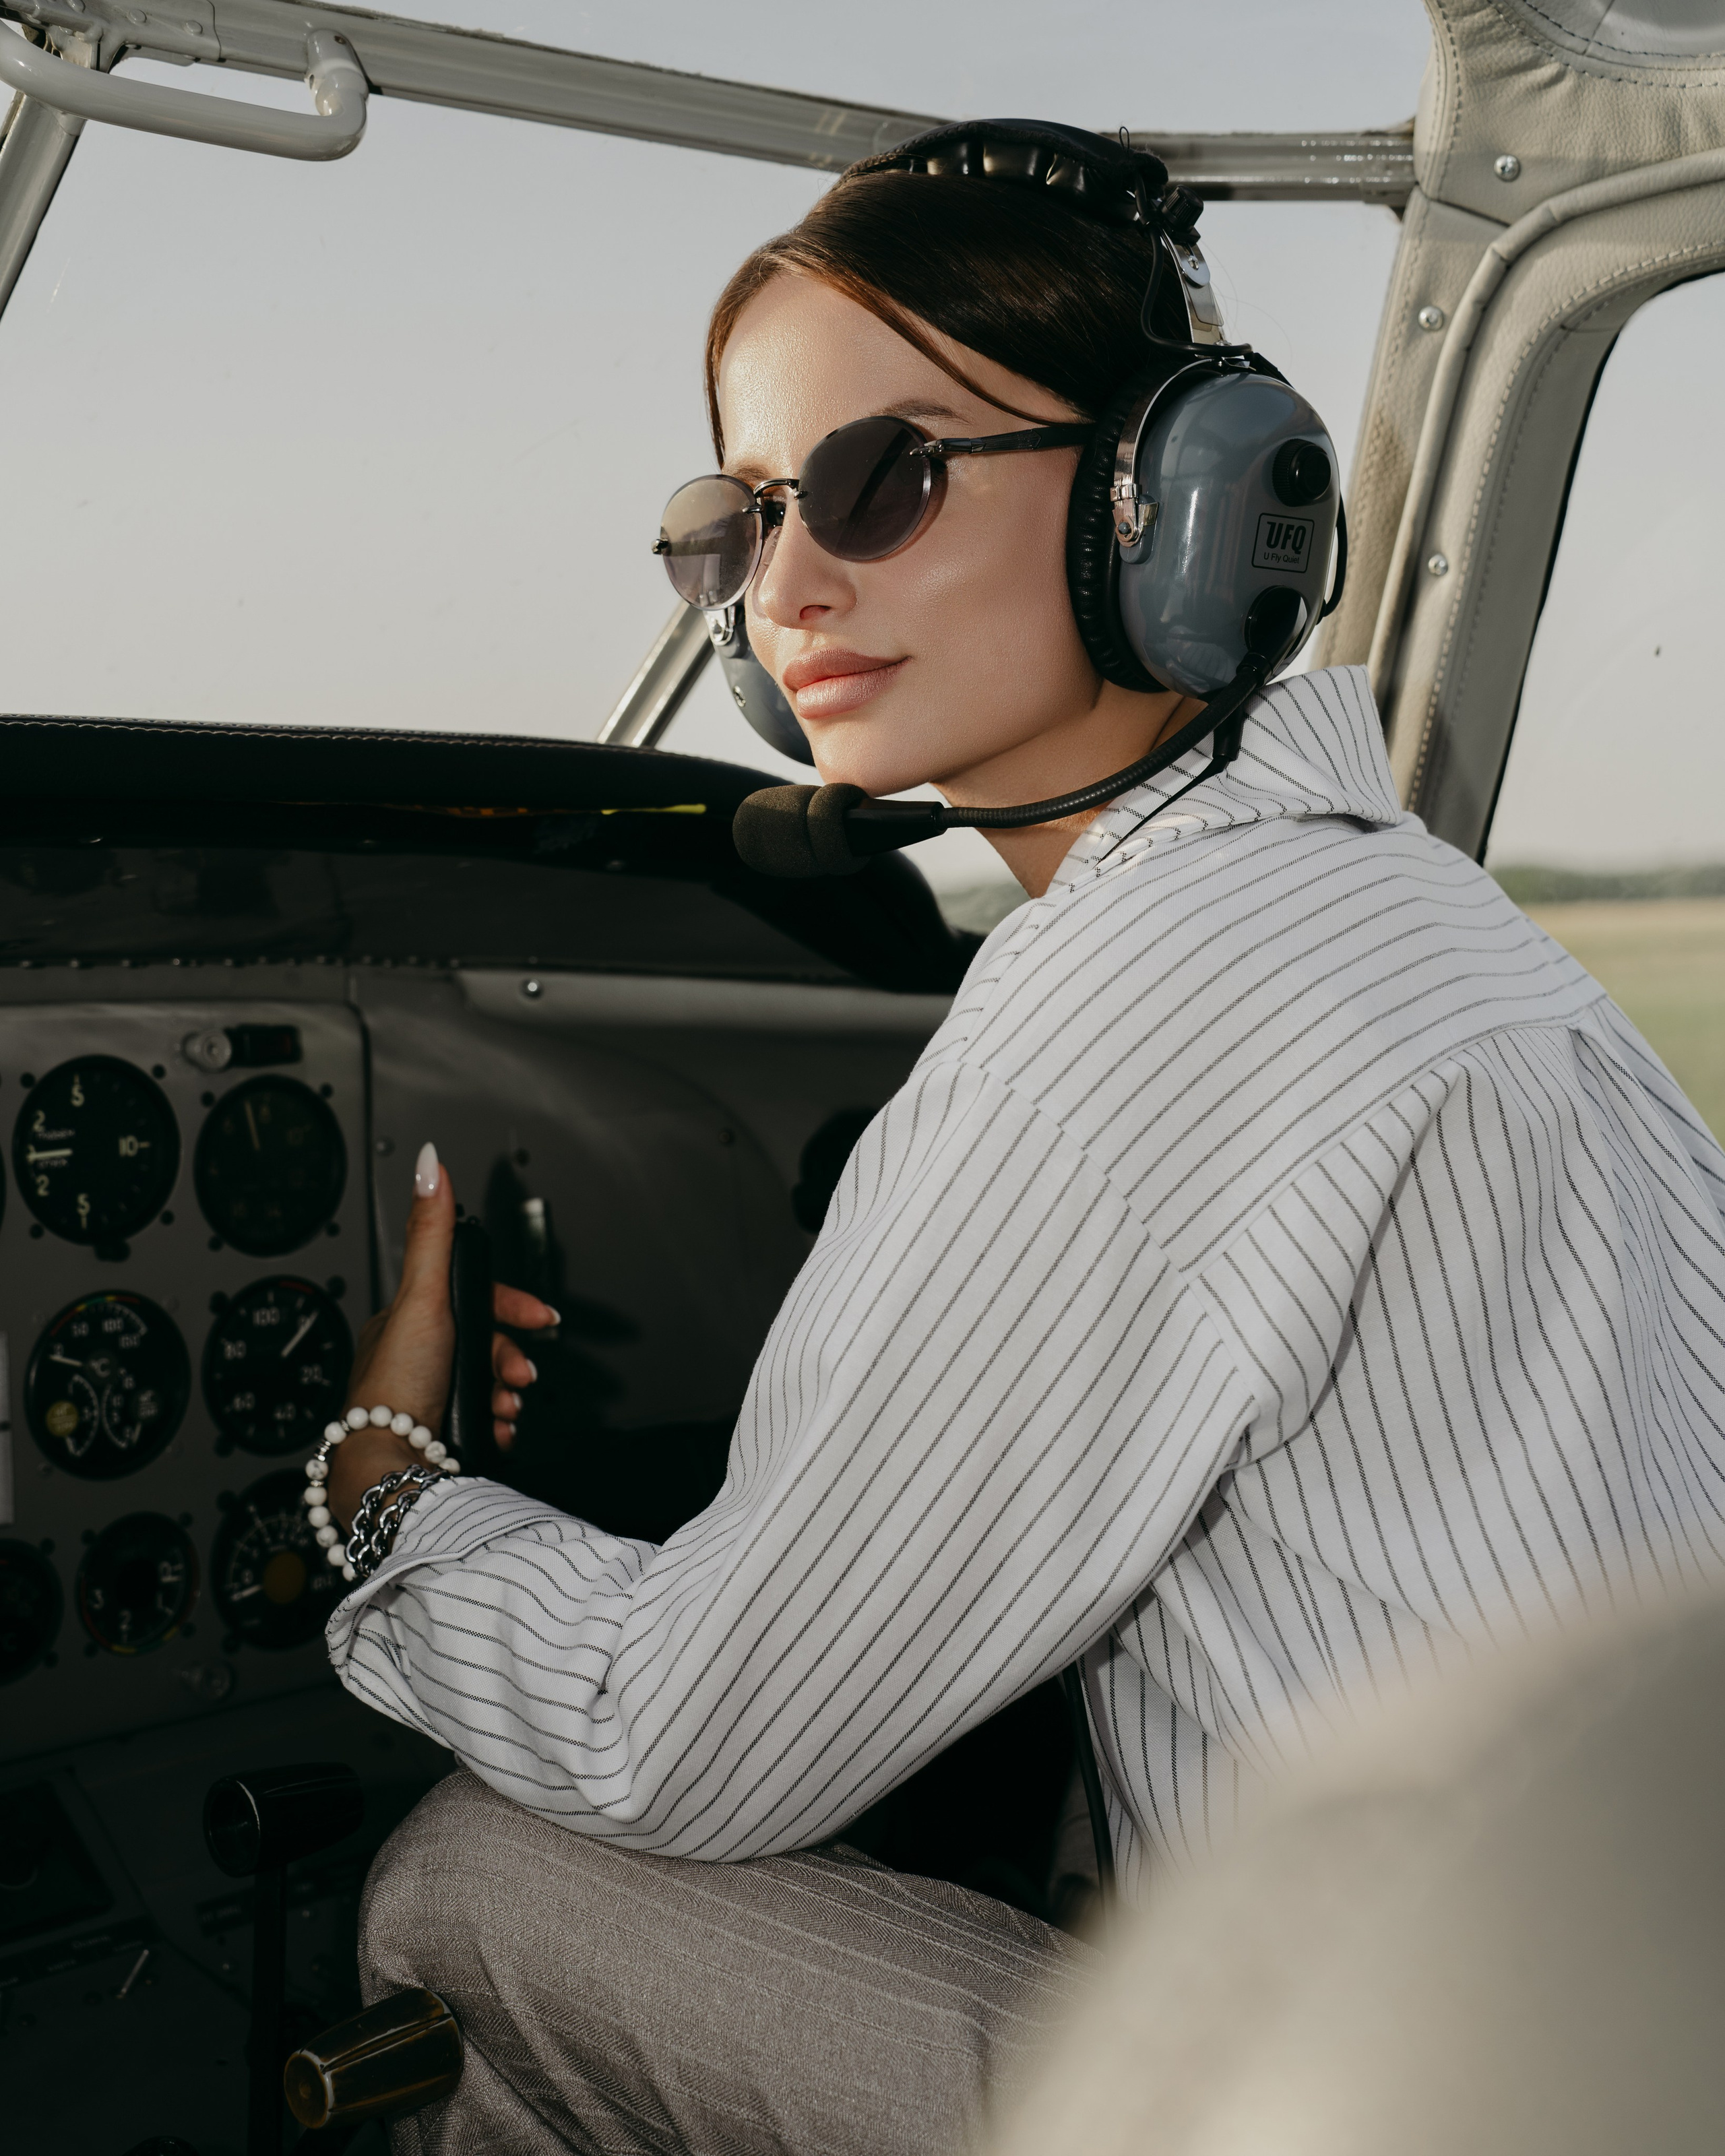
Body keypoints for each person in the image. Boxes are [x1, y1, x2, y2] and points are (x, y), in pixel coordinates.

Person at [319, 120, 1725, 2156]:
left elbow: (678, 1741)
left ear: (1190, 504)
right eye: (738, 525)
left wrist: (385, 1494)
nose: (787, 588)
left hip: (1446, 2093)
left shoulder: (1125, 1010)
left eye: (883, 484)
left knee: (476, 1884)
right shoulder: (1405, 908)